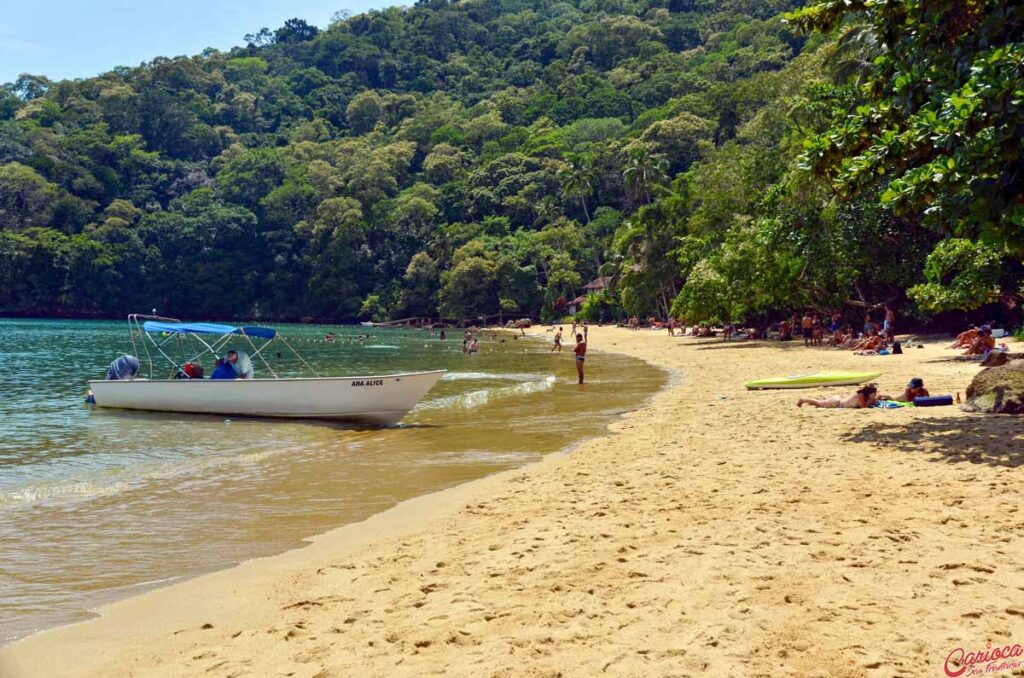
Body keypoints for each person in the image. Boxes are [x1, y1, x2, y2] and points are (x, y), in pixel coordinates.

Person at [797, 383, 879, 409]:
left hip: (840, 400)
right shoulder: (861, 396)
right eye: (874, 393)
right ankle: (803, 400)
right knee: (819, 403)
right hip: (837, 402)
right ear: (870, 393)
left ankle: (807, 402)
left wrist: (873, 400)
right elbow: (863, 407)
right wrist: (871, 400)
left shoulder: (865, 396)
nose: (875, 394)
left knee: (820, 404)